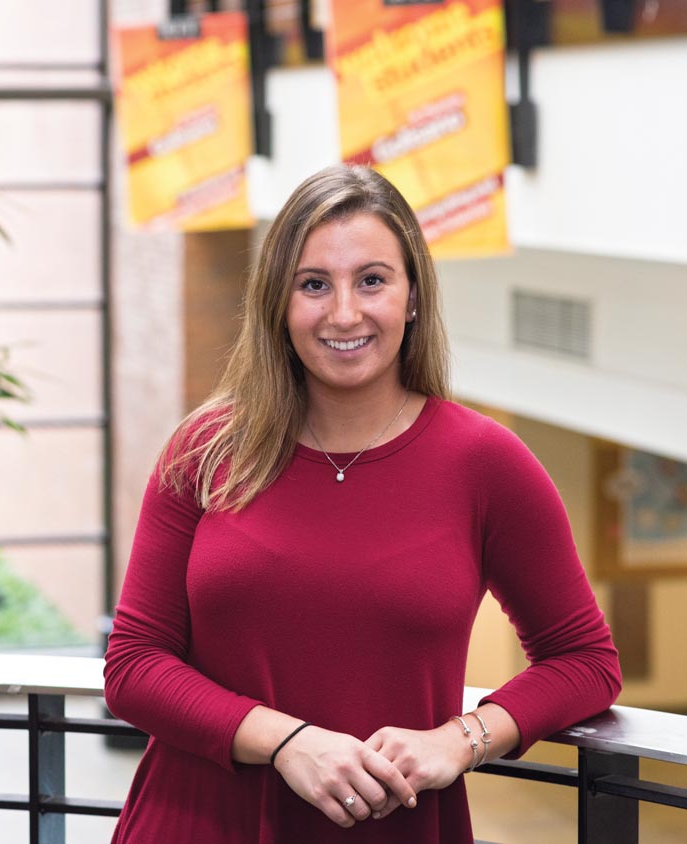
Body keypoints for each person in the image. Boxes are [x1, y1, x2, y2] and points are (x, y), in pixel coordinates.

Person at [104, 164, 621, 844]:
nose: (343, 313)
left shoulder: (486, 464)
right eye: (313, 284)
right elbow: (135, 664)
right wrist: (287, 742)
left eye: (372, 280)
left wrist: (462, 738)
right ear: (279, 304)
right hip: (198, 823)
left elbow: (584, 660)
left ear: (411, 297)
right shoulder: (204, 450)